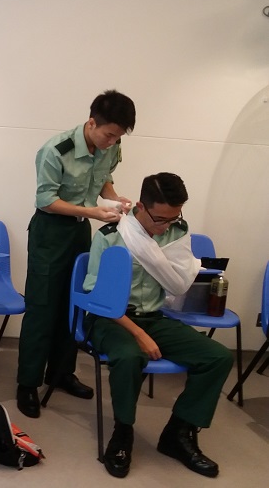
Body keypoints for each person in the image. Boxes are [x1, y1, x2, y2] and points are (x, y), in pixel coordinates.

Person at [84, 172, 233, 478]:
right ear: (140, 206)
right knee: (129, 355)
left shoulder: (175, 235)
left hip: (152, 316)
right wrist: (138, 334)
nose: (165, 227)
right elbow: (97, 296)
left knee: (218, 357)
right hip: (110, 318)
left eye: (173, 218)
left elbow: (179, 280)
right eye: (160, 219)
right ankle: (123, 433)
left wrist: (146, 329)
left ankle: (178, 433)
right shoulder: (110, 236)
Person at [16, 89, 136, 419]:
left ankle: (61, 373)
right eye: (109, 134)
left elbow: (104, 180)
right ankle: (27, 383)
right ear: (92, 122)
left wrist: (115, 200)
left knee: (74, 304)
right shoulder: (56, 150)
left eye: (118, 137)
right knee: (42, 306)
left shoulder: (112, 145)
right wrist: (92, 211)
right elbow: (46, 200)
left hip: (81, 230)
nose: (112, 142)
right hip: (50, 231)